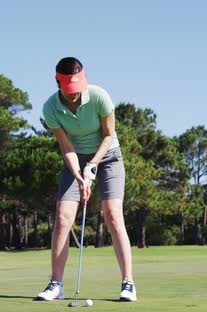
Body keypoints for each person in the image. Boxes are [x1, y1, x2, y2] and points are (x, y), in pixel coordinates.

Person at [36, 57, 137, 302]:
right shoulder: (50, 108)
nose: (74, 95)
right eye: (69, 91)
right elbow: (66, 147)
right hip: (76, 160)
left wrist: (93, 165)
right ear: (57, 82)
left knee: (113, 215)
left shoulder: (100, 97)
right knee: (62, 218)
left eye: (78, 89)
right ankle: (56, 284)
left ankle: (128, 283)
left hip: (108, 157)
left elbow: (108, 135)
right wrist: (80, 176)